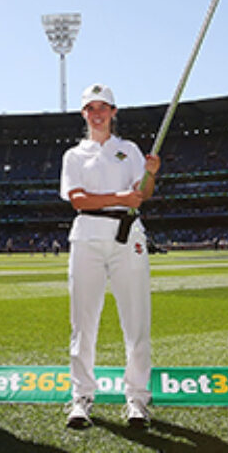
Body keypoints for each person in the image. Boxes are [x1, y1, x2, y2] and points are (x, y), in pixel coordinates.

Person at [59, 83, 160, 429]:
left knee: (136, 321)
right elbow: (78, 200)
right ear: (84, 114)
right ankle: (81, 397)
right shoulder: (73, 155)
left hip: (127, 235)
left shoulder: (128, 149)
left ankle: (136, 398)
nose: (98, 113)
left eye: (104, 107)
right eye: (91, 108)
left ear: (114, 112)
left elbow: (142, 194)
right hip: (87, 235)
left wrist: (150, 174)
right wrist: (119, 196)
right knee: (83, 323)